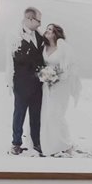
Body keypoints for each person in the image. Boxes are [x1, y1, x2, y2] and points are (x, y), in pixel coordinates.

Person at [9, 8, 46, 156]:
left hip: (38, 85)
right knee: (19, 114)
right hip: (22, 84)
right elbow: (16, 58)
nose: (40, 23)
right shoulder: (15, 35)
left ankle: (36, 143)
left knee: (36, 115)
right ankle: (16, 143)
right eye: (39, 20)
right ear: (30, 19)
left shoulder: (40, 36)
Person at [38, 22, 75, 155]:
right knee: (47, 114)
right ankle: (50, 144)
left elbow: (68, 67)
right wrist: (45, 75)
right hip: (47, 85)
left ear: (55, 33)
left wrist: (57, 77)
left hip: (60, 85)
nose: (47, 31)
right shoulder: (44, 47)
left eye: (50, 30)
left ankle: (66, 143)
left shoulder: (62, 46)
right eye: (47, 29)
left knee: (57, 114)